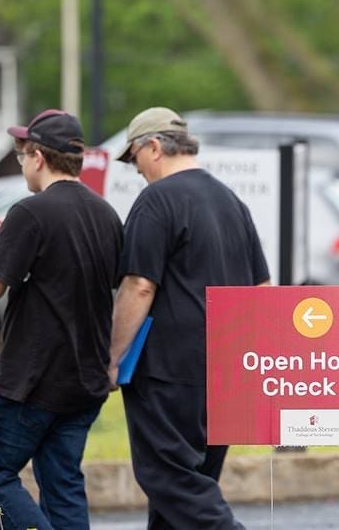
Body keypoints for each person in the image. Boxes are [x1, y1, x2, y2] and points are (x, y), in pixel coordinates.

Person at [0, 109, 123, 530]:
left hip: (30, 381)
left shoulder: (30, 212)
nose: (22, 164)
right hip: (85, 379)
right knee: (62, 484)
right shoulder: (106, 215)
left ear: (37, 157)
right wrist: (9, 237)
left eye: (21, 155)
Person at [109, 107, 269, 529]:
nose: (136, 170)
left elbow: (139, 286)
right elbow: (263, 291)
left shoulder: (157, 201)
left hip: (170, 369)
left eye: (135, 159)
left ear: (154, 147)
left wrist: (112, 358)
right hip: (229, 368)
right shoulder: (231, 201)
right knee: (188, 489)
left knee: (170, 478)